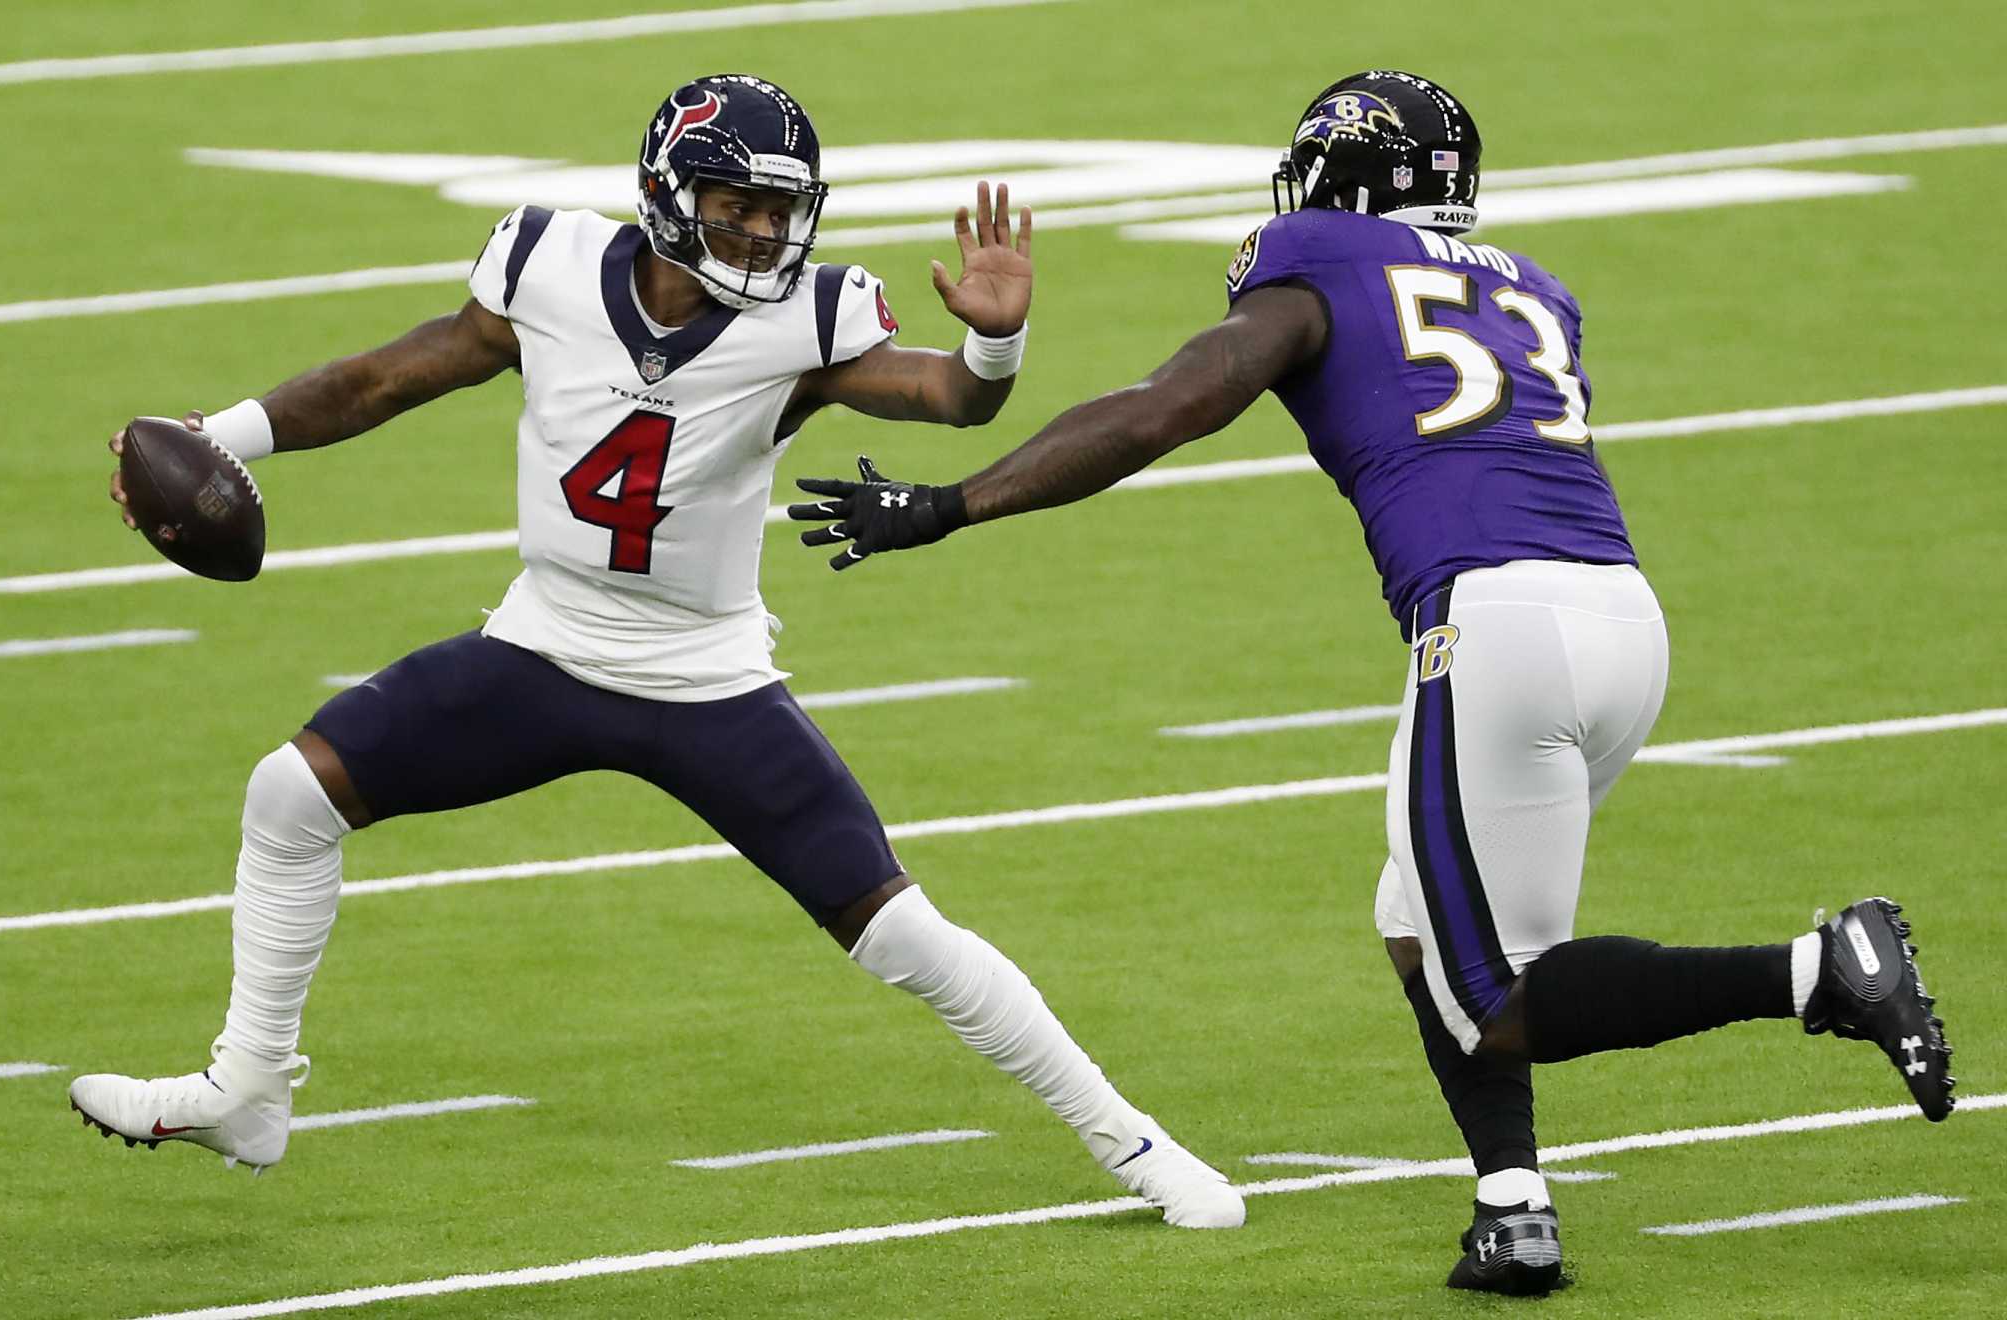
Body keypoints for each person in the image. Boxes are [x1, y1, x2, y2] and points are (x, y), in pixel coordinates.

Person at [785, 69, 1955, 1292]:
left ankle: (1818, 969)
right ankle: (1512, 1206)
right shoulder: (1528, 288)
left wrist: (950, 505)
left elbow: (1158, 412)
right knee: (1419, 922)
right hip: (1620, 619)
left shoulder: (1317, 266)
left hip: (1490, 627)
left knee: (1497, 1000)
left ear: (1335, 182)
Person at [71, 73, 1244, 1231]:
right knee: (290, 794)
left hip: (703, 679)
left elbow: (946, 397)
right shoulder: (551, 267)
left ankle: (1132, 1142)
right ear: (668, 193)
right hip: (540, 645)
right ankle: (246, 1091)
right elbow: (381, 378)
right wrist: (209, 436)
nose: (767, 230)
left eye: (783, 208)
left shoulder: (803, 318)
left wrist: (994, 345)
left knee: (897, 931)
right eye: (740, 204)